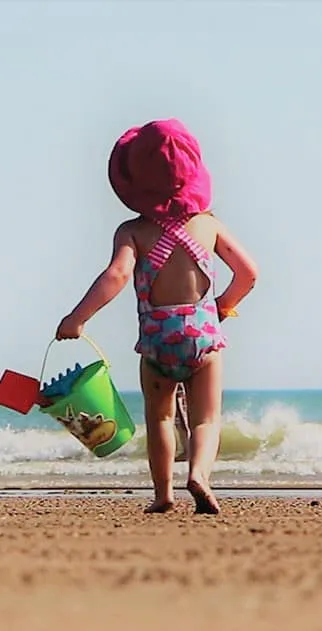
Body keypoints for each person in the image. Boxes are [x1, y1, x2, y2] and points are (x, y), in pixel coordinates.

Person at [55, 119, 258, 514]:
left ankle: (163, 495)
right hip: (203, 336)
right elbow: (249, 274)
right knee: (205, 420)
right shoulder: (208, 225)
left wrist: (76, 319)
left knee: (161, 418)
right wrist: (220, 308)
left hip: (156, 339)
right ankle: (199, 475)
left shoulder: (132, 231)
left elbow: (116, 276)